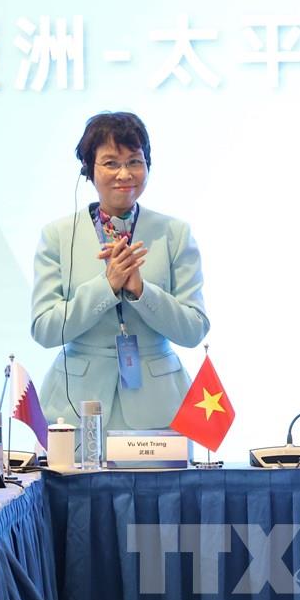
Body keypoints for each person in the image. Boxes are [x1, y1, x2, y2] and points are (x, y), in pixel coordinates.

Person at [31, 112, 209, 430]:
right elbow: (44, 329)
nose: (124, 174)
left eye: (134, 162)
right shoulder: (58, 235)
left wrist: (142, 291)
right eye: (111, 163)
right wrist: (107, 286)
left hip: (160, 408)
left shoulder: (175, 233)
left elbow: (194, 330)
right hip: (76, 408)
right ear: (88, 169)